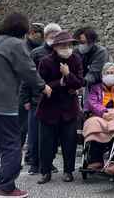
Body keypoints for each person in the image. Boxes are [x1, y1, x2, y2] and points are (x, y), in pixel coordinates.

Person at [0, 12, 51, 198]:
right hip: (2, 103)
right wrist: (43, 86)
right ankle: (6, 187)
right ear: (23, 29)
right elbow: (28, 69)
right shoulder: (15, 44)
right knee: (12, 145)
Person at [36, 31, 84, 184]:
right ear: (55, 46)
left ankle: (68, 171)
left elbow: (79, 82)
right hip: (48, 108)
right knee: (46, 143)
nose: (67, 48)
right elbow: (40, 84)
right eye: (64, 45)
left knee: (69, 142)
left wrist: (68, 75)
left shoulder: (76, 59)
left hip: (69, 108)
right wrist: (61, 83)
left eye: (70, 45)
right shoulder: (45, 61)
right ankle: (45, 171)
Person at [25, 22, 61, 174]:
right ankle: (34, 163)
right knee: (34, 133)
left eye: (56, 36)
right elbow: (28, 76)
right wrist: (25, 99)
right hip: (37, 99)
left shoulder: (62, 53)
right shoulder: (36, 53)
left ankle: (48, 161)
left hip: (55, 99)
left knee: (52, 135)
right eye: (51, 36)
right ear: (46, 37)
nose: (54, 39)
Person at [19, 23, 43, 163]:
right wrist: (25, 98)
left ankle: (30, 155)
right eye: (36, 33)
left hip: (35, 93)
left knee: (32, 129)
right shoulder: (23, 48)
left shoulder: (39, 48)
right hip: (24, 92)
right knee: (21, 128)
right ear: (31, 33)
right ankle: (17, 157)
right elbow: (25, 73)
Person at [75, 26, 109, 90]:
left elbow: (94, 74)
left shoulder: (101, 52)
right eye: (80, 42)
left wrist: (80, 83)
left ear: (92, 41)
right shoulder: (76, 52)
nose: (81, 45)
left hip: (101, 86)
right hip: (84, 84)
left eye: (83, 42)